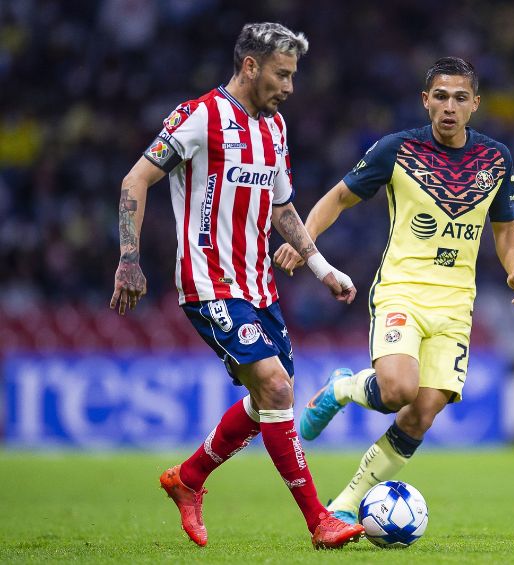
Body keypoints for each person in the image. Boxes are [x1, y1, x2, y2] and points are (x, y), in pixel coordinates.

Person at [109, 22, 365, 549]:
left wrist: (323, 269)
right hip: (208, 282)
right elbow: (135, 179)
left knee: (272, 396)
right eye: (282, 74)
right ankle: (320, 520)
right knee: (274, 386)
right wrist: (128, 260)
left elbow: (283, 207)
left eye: (294, 76)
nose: (290, 87)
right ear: (250, 66)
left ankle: (189, 479)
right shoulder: (199, 116)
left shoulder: (275, 128)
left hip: (260, 287)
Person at [275, 56, 514, 522]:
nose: (449, 107)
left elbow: (505, 231)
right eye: (440, 97)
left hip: (456, 305)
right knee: (397, 390)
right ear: (425, 101)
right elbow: (339, 196)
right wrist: (304, 242)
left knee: (422, 413)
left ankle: (346, 505)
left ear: (475, 104)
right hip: (403, 291)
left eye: (460, 98)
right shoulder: (396, 150)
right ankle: (341, 389)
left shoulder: (496, 160)